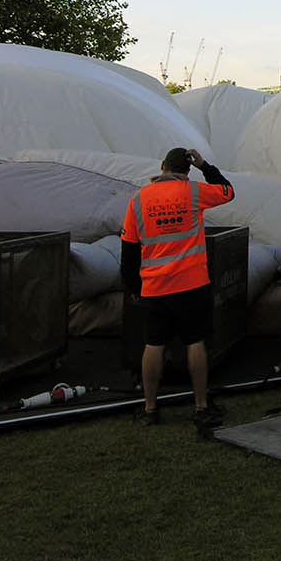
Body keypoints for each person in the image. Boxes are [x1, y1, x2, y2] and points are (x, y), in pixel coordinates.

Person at [120, 147, 234, 430]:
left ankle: (149, 408)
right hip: (192, 283)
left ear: (162, 167)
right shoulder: (194, 192)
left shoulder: (138, 200)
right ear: (187, 171)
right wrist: (206, 165)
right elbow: (227, 191)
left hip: (156, 285)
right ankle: (200, 406)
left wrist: (133, 285)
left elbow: (129, 249)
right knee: (195, 342)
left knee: (154, 344)